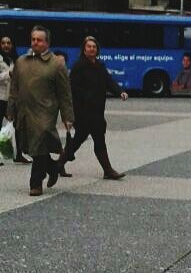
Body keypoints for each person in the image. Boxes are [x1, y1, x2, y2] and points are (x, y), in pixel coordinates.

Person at [6, 25, 74, 196]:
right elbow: (14, 88)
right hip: (25, 111)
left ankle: (35, 184)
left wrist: (68, 117)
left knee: (38, 143)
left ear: (47, 42)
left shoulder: (57, 64)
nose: (35, 42)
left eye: (39, 40)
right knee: (31, 147)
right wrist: (11, 109)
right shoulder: (21, 61)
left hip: (45, 112)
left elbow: (65, 94)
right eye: (33, 39)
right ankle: (52, 168)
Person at [63, 35, 128, 180]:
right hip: (83, 111)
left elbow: (109, 81)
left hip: (96, 110)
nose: (92, 49)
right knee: (97, 139)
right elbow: (72, 87)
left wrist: (120, 92)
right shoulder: (79, 66)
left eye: (94, 47)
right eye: (89, 47)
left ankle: (58, 164)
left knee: (78, 140)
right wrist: (87, 95)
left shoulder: (99, 65)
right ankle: (108, 170)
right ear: (84, 49)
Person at [0, 36, 30, 163]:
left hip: (13, 98)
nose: (6, 45)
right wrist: (9, 74)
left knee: (18, 126)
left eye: (9, 43)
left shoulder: (15, 59)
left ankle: (19, 155)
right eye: (3, 43)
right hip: (1, 97)